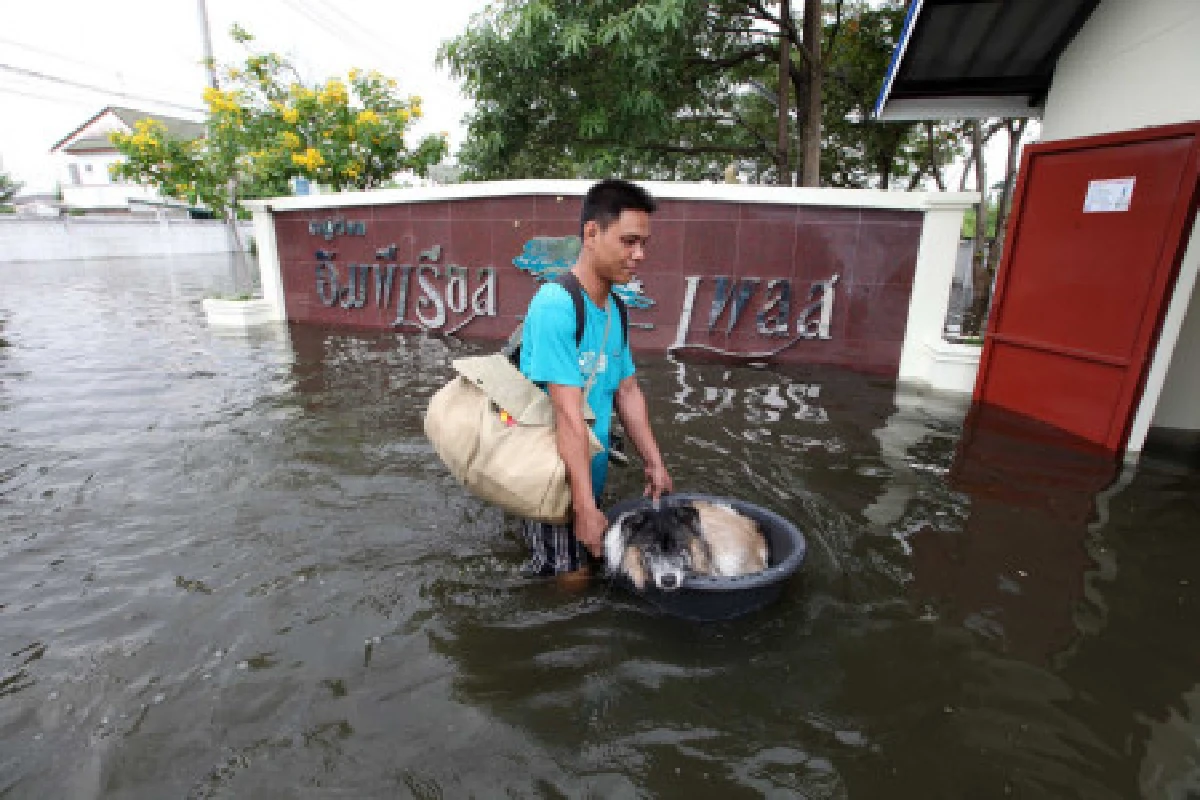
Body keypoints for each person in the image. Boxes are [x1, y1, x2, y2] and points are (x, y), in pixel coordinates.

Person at [518, 179, 674, 579]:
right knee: (572, 583)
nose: (639, 254)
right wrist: (585, 509)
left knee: (591, 569)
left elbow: (627, 390)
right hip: (553, 481)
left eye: (644, 243)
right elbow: (568, 415)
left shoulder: (616, 309)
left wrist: (654, 463)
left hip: (589, 471)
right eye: (629, 241)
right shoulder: (556, 305)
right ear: (592, 233)